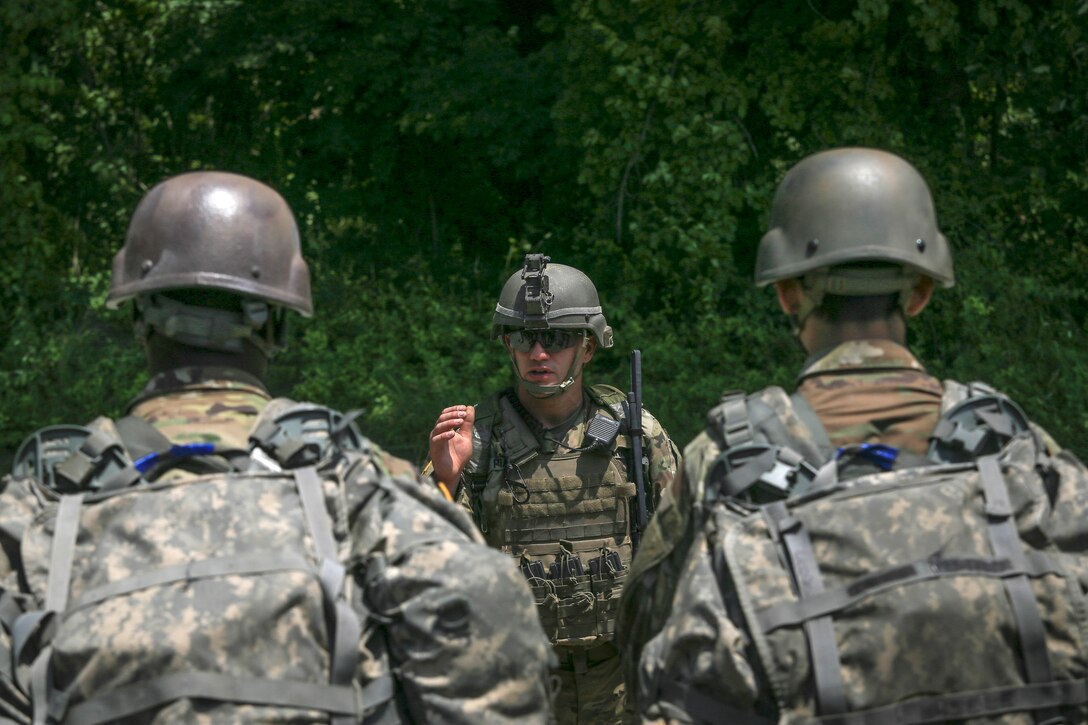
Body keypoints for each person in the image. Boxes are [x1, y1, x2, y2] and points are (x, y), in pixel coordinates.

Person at [0, 171, 553, 724]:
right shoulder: (366, 498)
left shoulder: (34, 518)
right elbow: (496, 683)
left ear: (138, 316)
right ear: (280, 324)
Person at [623, 148, 1088, 723]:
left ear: (787, 293)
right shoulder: (1012, 443)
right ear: (919, 293)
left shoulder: (724, 461)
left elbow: (646, 639)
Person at [427, 253, 681, 725]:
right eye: (524, 337)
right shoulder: (475, 441)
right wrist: (446, 478)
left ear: (587, 348)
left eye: (558, 338)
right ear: (508, 344)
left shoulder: (634, 434)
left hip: (621, 678)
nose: (538, 353)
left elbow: (686, 545)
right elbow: (429, 563)